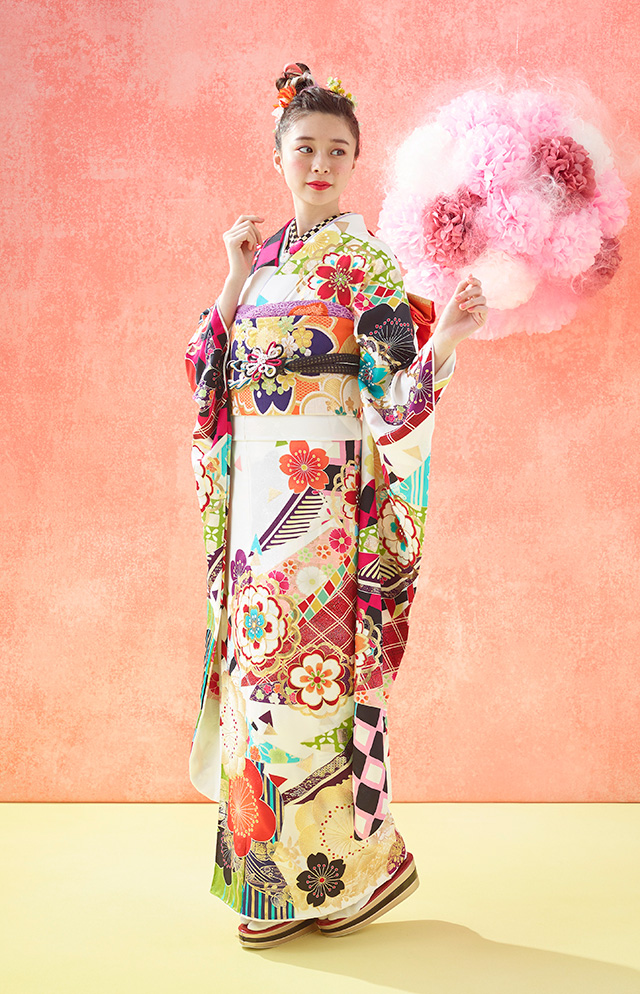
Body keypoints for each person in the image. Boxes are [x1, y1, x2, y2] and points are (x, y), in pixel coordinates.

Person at [184, 61, 487, 949]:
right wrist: (233, 276)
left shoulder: (367, 263)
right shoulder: (262, 260)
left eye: (338, 151)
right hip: (255, 506)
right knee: (258, 689)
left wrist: (444, 342)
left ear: (356, 162)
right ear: (278, 156)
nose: (320, 163)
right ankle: (276, 881)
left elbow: (392, 393)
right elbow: (208, 379)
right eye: (305, 148)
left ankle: (339, 879)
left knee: (311, 686)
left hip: (322, 506)